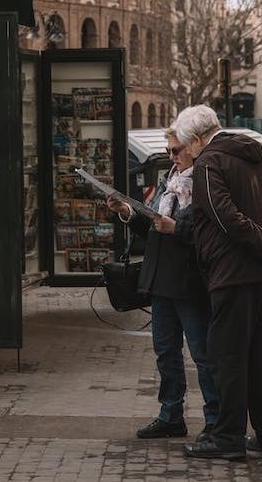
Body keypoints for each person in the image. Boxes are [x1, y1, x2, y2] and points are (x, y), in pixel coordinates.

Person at [174, 105, 262, 461]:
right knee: (260, 357)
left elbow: (225, 218)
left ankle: (228, 437)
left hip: (233, 274)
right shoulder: (255, 159)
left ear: (199, 139)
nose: (185, 153)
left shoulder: (209, 163)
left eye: (186, 145)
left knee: (228, 357)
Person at [107, 126, 218, 442]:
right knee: (166, 352)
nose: (172, 157)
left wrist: (175, 228)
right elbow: (154, 229)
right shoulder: (169, 183)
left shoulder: (205, 183)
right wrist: (127, 211)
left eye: (176, 150)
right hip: (162, 283)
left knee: (202, 353)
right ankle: (171, 415)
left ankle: (215, 419)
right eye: (169, 151)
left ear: (193, 148)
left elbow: (207, 235)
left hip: (191, 283)